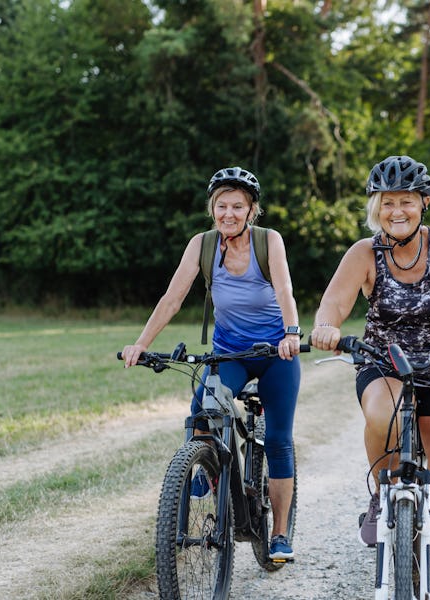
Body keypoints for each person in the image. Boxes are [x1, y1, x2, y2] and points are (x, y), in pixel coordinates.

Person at [310, 155, 430, 600]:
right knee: (385, 415)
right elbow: (334, 303)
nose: (396, 211)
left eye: (406, 201)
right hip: (383, 362)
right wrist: (327, 327)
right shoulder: (364, 253)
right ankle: (382, 493)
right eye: (387, 202)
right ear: (376, 207)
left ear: (424, 204)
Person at [121, 166, 303, 561]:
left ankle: (280, 533)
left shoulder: (268, 241)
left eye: (238, 206)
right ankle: (209, 471)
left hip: (275, 355)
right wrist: (141, 343)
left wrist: (292, 332)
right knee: (202, 413)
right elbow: (172, 298)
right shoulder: (201, 245)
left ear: (252, 210)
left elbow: (286, 289)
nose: (229, 214)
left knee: (277, 440)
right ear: (212, 208)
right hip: (228, 354)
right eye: (222, 206)